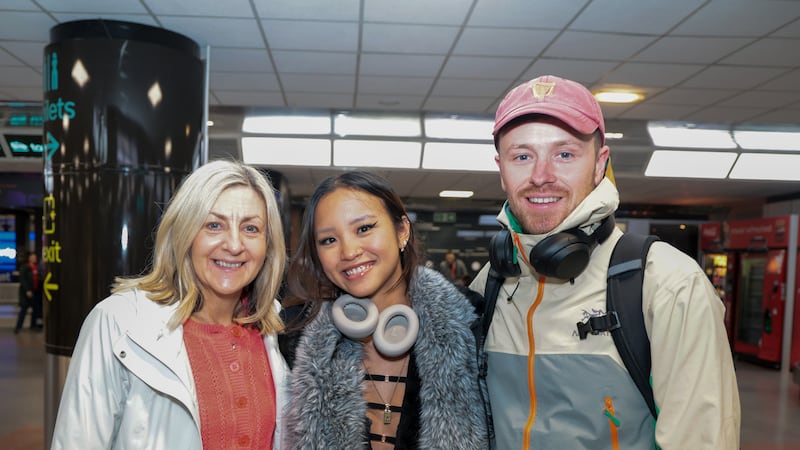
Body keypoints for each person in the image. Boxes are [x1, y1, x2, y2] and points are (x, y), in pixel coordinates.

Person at [469, 75, 741, 449]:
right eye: (522, 156)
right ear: (502, 170)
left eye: (564, 154)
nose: (541, 176)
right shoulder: (494, 281)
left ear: (599, 164)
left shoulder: (665, 283)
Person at [51, 160, 289, 449]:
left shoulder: (272, 330)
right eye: (214, 225)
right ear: (185, 233)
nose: (235, 244)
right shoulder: (119, 322)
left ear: (268, 245)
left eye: (251, 228)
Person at [281, 171, 487, 449]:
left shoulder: (471, 323)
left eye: (364, 228)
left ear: (402, 230)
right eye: (329, 240)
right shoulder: (296, 335)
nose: (349, 251)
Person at [15, 250, 42, 333]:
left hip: (36, 292)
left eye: (35, 257)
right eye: (33, 257)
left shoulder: (37, 268)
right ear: (29, 258)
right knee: (24, 309)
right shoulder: (25, 267)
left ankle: (33, 325)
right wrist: (27, 290)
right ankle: (18, 327)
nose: (34, 259)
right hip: (26, 293)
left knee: (36, 310)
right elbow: (23, 280)